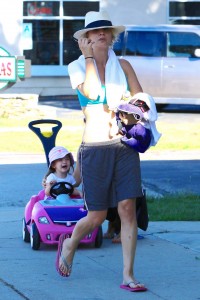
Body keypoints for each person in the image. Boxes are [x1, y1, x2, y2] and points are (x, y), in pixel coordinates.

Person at [56, 10, 147, 292]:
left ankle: (128, 276)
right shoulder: (77, 67)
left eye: (106, 31)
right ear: (85, 39)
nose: (101, 35)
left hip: (123, 145)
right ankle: (70, 244)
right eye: (94, 32)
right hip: (94, 147)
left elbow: (142, 104)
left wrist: (133, 112)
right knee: (96, 216)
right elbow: (94, 94)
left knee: (127, 208)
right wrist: (89, 59)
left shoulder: (125, 66)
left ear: (112, 36)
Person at [104, 92, 162, 243]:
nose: (121, 117)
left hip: (127, 163)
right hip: (114, 159)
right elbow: (117, 117)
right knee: (112, 196)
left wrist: (125, 139)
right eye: (121, 114)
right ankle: (112, 227)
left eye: (125, 115)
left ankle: (124, 231)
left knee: (127, 201)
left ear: (137, 117)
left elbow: (141, 146)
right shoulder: (123, 120)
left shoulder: (140, 130)